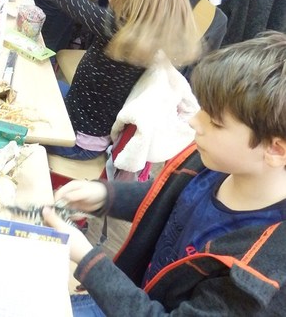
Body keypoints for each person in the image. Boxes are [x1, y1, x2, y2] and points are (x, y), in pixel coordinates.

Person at [43, 31, 286, 316]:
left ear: (276, 149)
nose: (195, 121)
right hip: (131, 296)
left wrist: (88, 261)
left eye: (217, 122)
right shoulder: (215, 162)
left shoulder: (260, 277)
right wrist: (105, 196)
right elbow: (174, 197)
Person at [21, 0, 201, 160]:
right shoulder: (147, 30)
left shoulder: (116, 29)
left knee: (17, 106)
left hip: (77, 138)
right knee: (34, 84)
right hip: (80, 111)